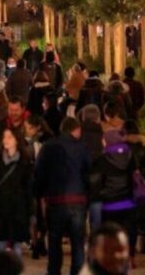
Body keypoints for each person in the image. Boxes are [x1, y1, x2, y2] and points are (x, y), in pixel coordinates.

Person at [35, 117, 90, 275]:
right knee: (77, 243)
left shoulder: (48, 147)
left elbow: (39, 173)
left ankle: (54, 271)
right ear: (77, 129)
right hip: (78, 201)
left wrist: (39, 195)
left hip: (55, 201)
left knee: (54, 242)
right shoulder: (82, 148)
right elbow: (89, 174)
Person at [0, 128, 34, 256]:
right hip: (1, 206)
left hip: (18, 208)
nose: (6, 140)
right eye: (4, 137)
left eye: (10, 137)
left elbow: (29, 187)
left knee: (17, 248)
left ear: (17, 140)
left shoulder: (25, 160)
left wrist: (30, 210)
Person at [91, 129, 139, 263]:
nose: (102, 141)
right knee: (130, 230)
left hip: (109, 204)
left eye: (104, 139)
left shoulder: (102, 159)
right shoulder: (130, 155)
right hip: (128, 201)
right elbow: (135, 175)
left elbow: (95, 181)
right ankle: (130, 257)